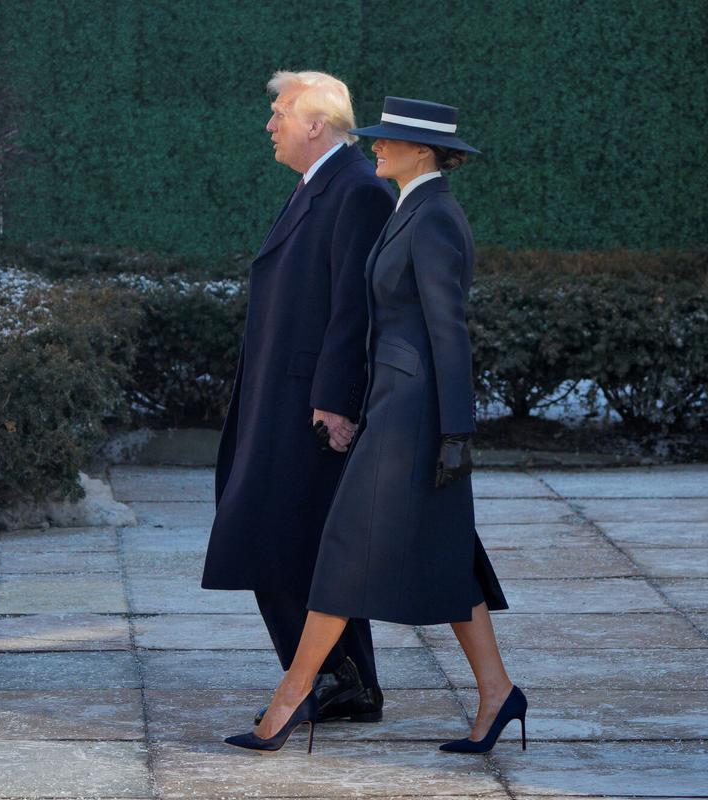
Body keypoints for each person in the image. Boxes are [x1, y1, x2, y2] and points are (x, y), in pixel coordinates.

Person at [225, 97, 526, 756]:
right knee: (450, 559)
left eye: (388, 140)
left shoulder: (436, 217)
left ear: (420, 151)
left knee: (341, 550)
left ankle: (292, 696)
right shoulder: (409, 208)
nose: (376, 147)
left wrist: (455, 433)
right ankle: (499, 692)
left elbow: (450, 334)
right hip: (393, 406)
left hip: (412, 418)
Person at [201, 71, 395, 725]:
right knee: (294, 541)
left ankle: (335, 678)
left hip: (309, 407)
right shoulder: (318, 187)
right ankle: (349, 681)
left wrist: (338, 400)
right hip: (281, 400)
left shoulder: (358, 191)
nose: (270, 124)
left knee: (278, 538)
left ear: (316, 123)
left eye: (280, 112)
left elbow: (355, 305)